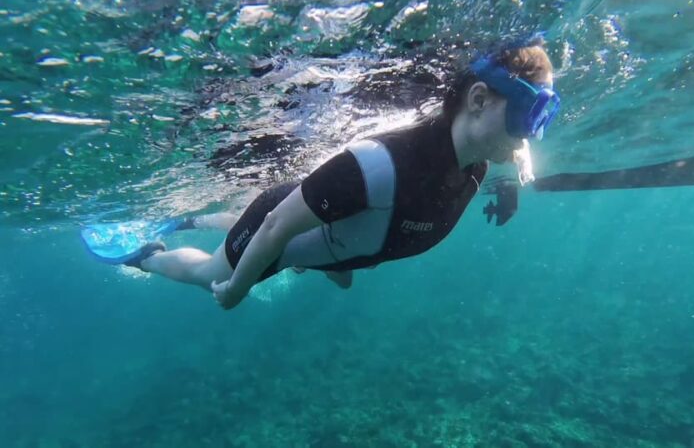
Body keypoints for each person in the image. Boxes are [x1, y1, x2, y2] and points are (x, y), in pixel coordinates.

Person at [130, 39, 560, 310]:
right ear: (479, 100)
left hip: (340, 231)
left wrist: (516, 176)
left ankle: (268, 239)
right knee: (212, 277)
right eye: (531, 114)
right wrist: (238, 290)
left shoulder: (475, 163)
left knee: (337, 271)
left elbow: (518, 154)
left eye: (545, 116)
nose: (533, 134)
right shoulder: (376, 164)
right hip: (279, 225)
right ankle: (147, 257)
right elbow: (277, 224)